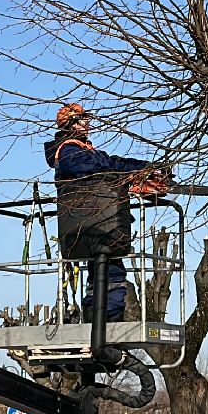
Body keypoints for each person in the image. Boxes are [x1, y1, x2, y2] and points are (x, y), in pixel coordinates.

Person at [43, 102, 166, 322]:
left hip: (100, 223)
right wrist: (128, 176)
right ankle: (104, 323)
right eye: (82, 119)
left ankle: (99, 321)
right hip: (92, 222)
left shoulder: (83, 150)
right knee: (111, 276)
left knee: (106, 274)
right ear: (71, 124)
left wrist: (148, 168)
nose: (87, 123)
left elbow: (113, 162)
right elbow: (101, 167)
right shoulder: (70, 152)